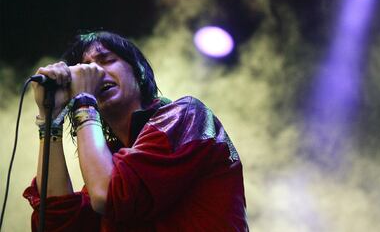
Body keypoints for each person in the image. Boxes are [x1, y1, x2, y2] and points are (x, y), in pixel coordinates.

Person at [23, 31, 249, 231]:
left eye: (106, 60)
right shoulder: (109, 163)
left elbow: (108, 195)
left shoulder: (186, 116)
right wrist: (49, 118)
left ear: (139, 70)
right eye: (86, 67)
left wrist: (84, 100)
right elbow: (55, 222)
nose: (95, 72)